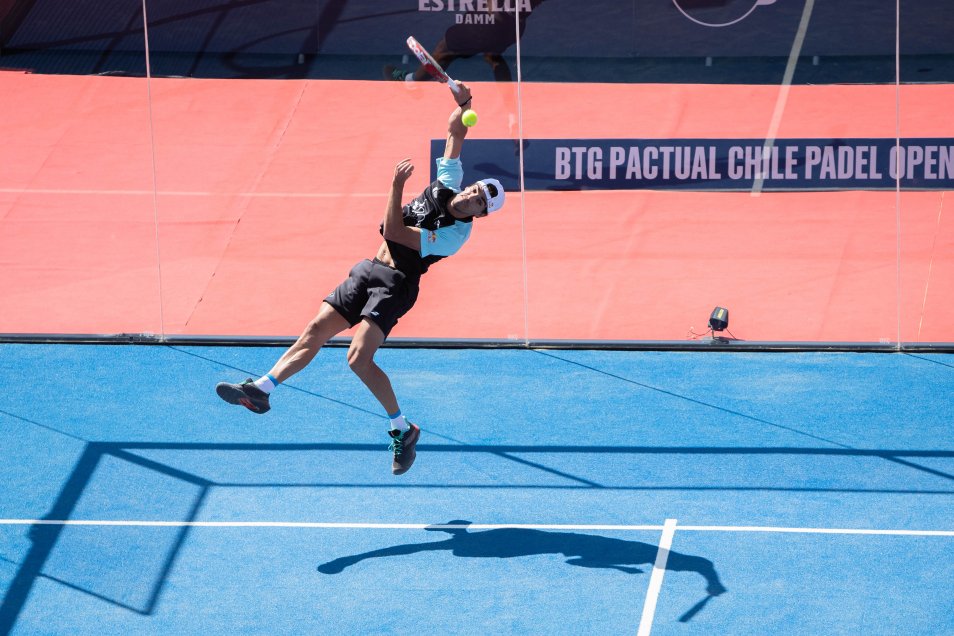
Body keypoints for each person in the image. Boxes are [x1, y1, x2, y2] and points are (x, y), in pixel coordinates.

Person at [215, 81, 505, 476]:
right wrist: (464, 102)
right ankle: (262, 391)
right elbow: (456, 131)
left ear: (480, 214)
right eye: (473, 190)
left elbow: (396, 233)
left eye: (477, 202)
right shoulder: (447, 183)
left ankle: (402, 429)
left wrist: (396, 186)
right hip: (370, 268)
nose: (469, 196)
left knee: (358, 359)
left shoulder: (455, 235)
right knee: (315, 329)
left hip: (396, 285)